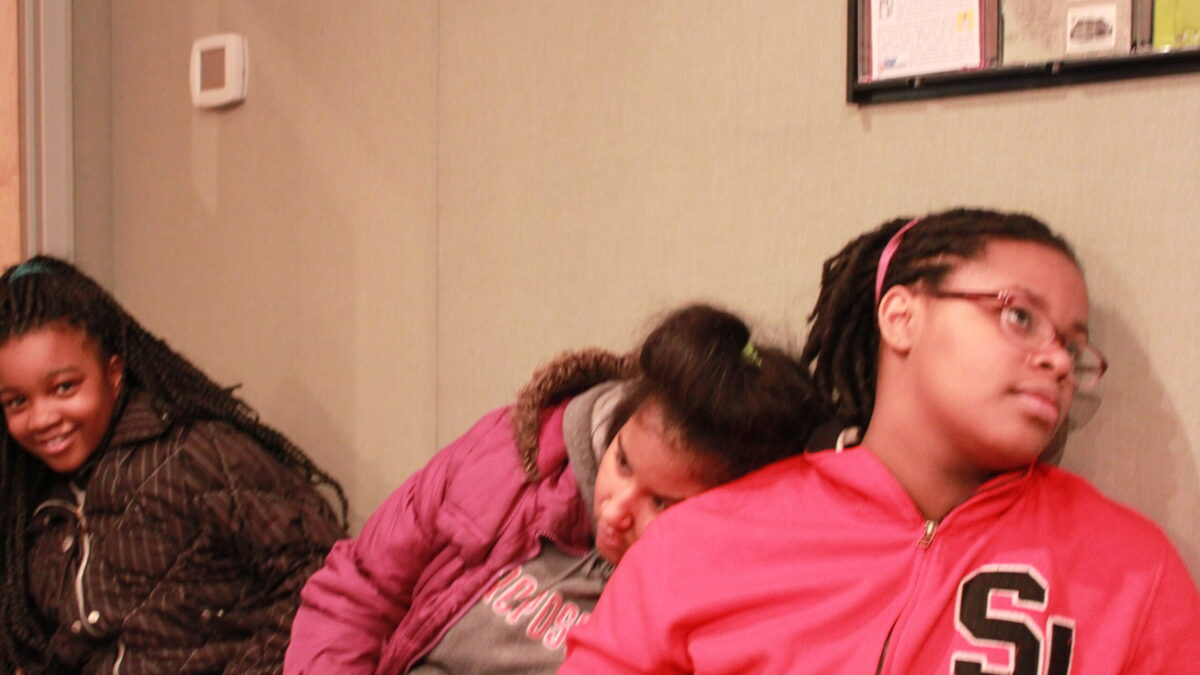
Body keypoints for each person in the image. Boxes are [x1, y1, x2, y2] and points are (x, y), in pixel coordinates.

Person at [563, 208, 1200, 673]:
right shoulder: (701, 541)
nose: (1057, 361)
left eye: (1071, 343)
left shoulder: (1133, 572)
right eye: (1019, 316)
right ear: (901, 316)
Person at [284, 303, 828, 674]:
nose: (617, 508)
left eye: (661, 503)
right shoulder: (510, 458)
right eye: (623, 463)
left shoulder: (723, 596)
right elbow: (357, 590)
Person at [0, 256, 347, 674]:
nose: (42, 418)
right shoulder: (31, 503)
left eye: (64, 387)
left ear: (113, 373)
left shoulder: (198, 455)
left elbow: (324, 576)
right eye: (17, 402)